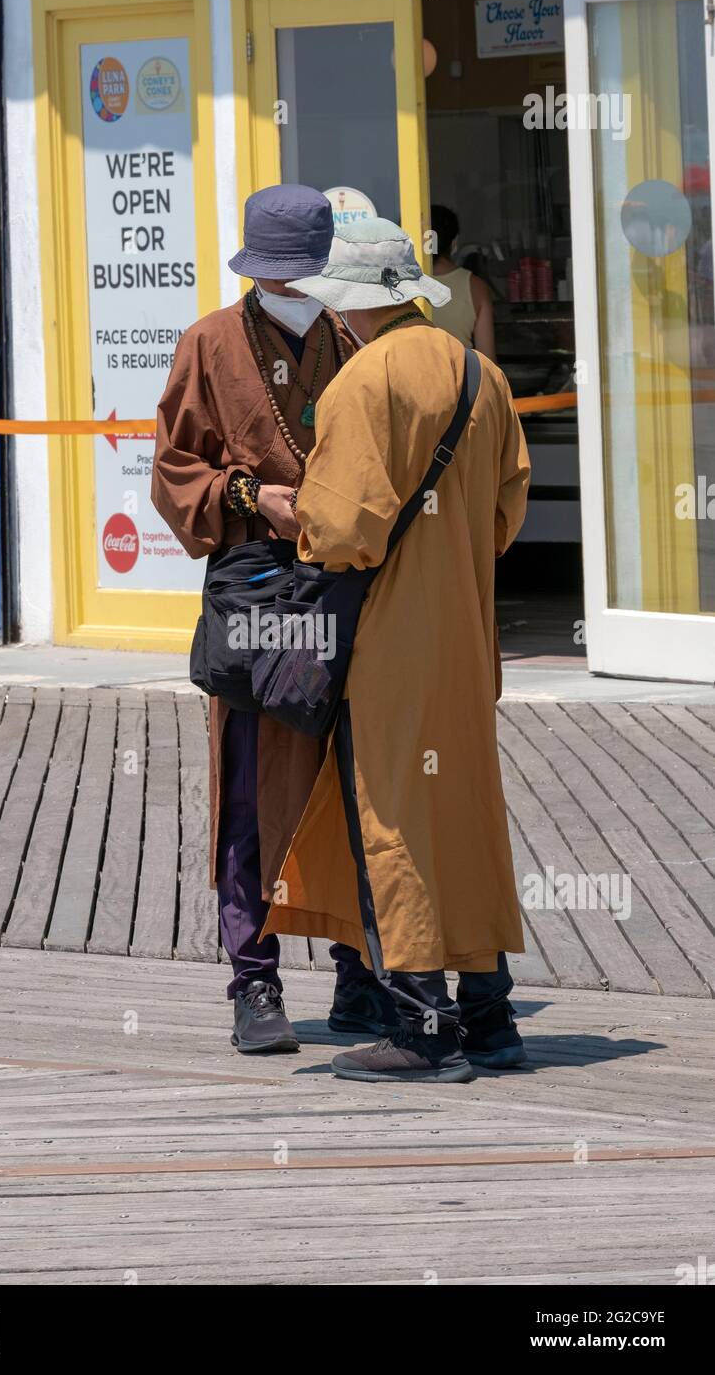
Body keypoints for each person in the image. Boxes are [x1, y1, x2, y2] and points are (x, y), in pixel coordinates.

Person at [261, 218, 531, 1083]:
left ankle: (422, 1026)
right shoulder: (480, 374)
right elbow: (505, 516)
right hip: (465, 637)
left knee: (393, 820)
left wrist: (289, 517)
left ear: (348, 302)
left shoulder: (361, 381)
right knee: (468, 819)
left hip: (389, 641)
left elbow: (342, 530)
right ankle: (491, 1018)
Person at [152, 185, 397, 1055]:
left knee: (351, 780)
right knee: (254, 787)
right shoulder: (209, 343)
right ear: (257, 268)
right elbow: (175, 472)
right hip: (260, 595)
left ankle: (361, 974)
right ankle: (253, 981)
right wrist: (258, 497)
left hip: (345, 593)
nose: (297, 288)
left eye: (308, 274)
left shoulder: (354, 335)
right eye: (284, 274)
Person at [428, 204, 496, 361]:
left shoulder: (399, 284)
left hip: (409, 382)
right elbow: (488, 362)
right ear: (453, 243)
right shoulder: (475, 287)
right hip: (460, 382)